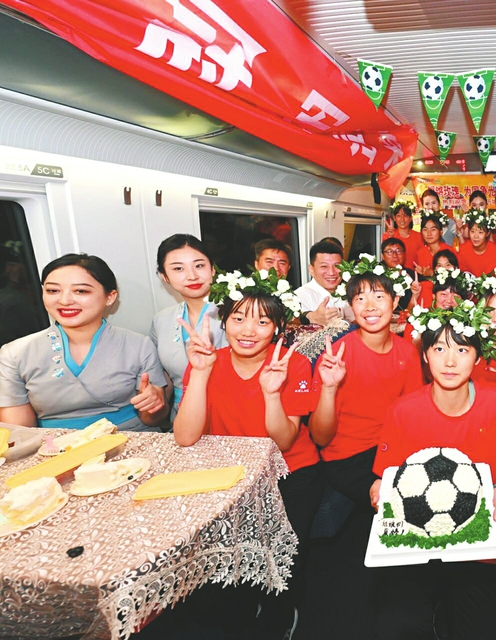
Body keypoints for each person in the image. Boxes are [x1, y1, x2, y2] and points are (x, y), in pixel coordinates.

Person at [370, 301, 496, 640]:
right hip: (415, 535)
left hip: (473, 539)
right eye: (439, 348)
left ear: (477, 358)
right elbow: (382, 478)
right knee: (394, 627)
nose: (449, 360)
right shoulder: (403, 410)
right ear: (425, 356)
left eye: (461, 349)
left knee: (485, 629)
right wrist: (377, 492)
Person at [174, 268, 320, 637]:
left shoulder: (292, 363)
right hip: (228, 473)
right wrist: (202, 372)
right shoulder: (208, 361)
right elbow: (186, 437)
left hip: (289, 471)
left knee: (281, 553)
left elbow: (285, 441)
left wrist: (272, 391)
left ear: (278, 327)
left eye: (261, 320)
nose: (248, 330)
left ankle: (282, 611)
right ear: (225, 321)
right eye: (238, 318)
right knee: (227, 554)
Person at [0, 254, 167, 430]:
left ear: (110, 297)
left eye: (81, 291)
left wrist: (155, 404)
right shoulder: (14, 354)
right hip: (55, 448)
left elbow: (153, 419)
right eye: (53, 291)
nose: (64, 301)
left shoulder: (138, 345)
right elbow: (20, 431)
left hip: (133, 439)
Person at [311, 255, 422, 513]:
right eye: (360, 299)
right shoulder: (336, 355)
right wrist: (329, 387)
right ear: (351, 305)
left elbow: (412, 416)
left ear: (395, 302)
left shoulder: (406, 352)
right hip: (348, 457)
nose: (370, 306)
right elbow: (320, 437)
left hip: (394, 448)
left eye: (379, 297)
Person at [150, 234, 227, 422]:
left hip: (231, 411)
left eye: (199, 265)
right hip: (182, 415)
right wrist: (154, 395)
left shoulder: (240, 311)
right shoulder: (162, 320)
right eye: (178, 268)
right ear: (164, 276)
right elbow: (165, 377)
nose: (192, 276)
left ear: (212, 269)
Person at [296, 239, 354, 327]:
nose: (331, 272)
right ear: (311, 270)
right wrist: (312, 317)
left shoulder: (350, 292)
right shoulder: (300, 297)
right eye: (324, 266)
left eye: (337, 266)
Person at [459, 207, 496, 277]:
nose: (476, 236)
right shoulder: (463, 249)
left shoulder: (495, 252)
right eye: (472, 231)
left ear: (487, 233)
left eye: (480, 232)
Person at [414, 210, 454, 277]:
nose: (429, 233)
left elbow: (454, 276)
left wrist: (432, 273)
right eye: (425, 230)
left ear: (441, 232)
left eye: (433, 229)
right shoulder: (420, 253)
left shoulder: (449, 251)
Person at [387, 202, 424, 270]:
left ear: (410, 218)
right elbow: (387, 257)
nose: (402, 219)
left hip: (414, 273)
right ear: (394, 218)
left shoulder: (419, 236)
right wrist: (390, 238)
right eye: (398, 216)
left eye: (405, 215)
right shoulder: (388, 236)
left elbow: (422, 259)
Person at [381, 238, 415, 311]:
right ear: (383, 256)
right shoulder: (376, 275)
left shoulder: (412, 275)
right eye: (390, 252)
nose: (395, 255)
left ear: (404, 254)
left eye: (398, 251)